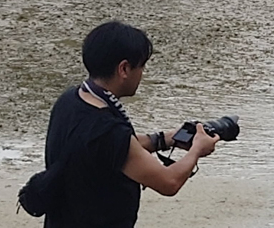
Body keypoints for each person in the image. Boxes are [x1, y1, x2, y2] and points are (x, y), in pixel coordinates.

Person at [39, 21, 219, 228]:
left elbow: (112, 149)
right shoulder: (107, 130)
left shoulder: (71, 101)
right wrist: (197, 149)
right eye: (141, 66)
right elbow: (169, 182)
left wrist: (165, 139)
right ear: (124, 68)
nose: (142, 74)